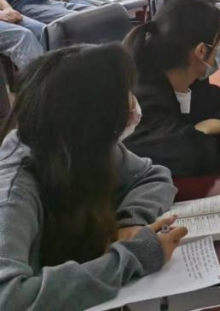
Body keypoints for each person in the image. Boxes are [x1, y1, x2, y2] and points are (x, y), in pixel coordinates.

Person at [0, 44, 184, 310]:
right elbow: (8, 298)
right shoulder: (12, 193)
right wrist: (131, 259)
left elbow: (152, 175)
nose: (133, 103)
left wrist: (130, 222)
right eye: (125, 93)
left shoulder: (79, 146)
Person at [123, 0, 220, 177]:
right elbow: (191, 154)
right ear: (201, 51)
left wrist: (206, 128)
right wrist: (201, 136)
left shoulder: (193, 84)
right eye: (217, 45)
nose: (219, 52)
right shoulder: (143, 97)